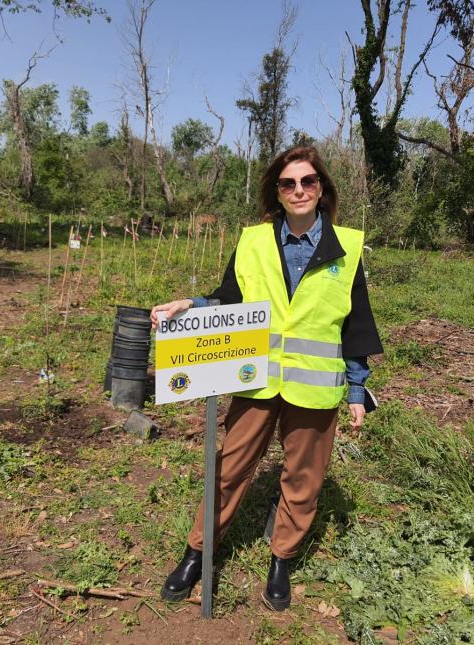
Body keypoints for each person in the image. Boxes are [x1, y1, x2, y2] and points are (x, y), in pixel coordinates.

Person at [150, 145, 383, 611]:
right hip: (256, 379)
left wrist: (357, 389)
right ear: (276, 191)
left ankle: (282, 559)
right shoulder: (255, 241)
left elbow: (356, 322)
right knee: (230, 468)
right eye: (288, 183)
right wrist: (189, 305)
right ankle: (198, 552)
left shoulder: (347, 247)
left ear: (322, 189)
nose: (299, 190)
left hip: (314, 386)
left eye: (308, 182)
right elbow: (228, 297)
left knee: (303, 479)